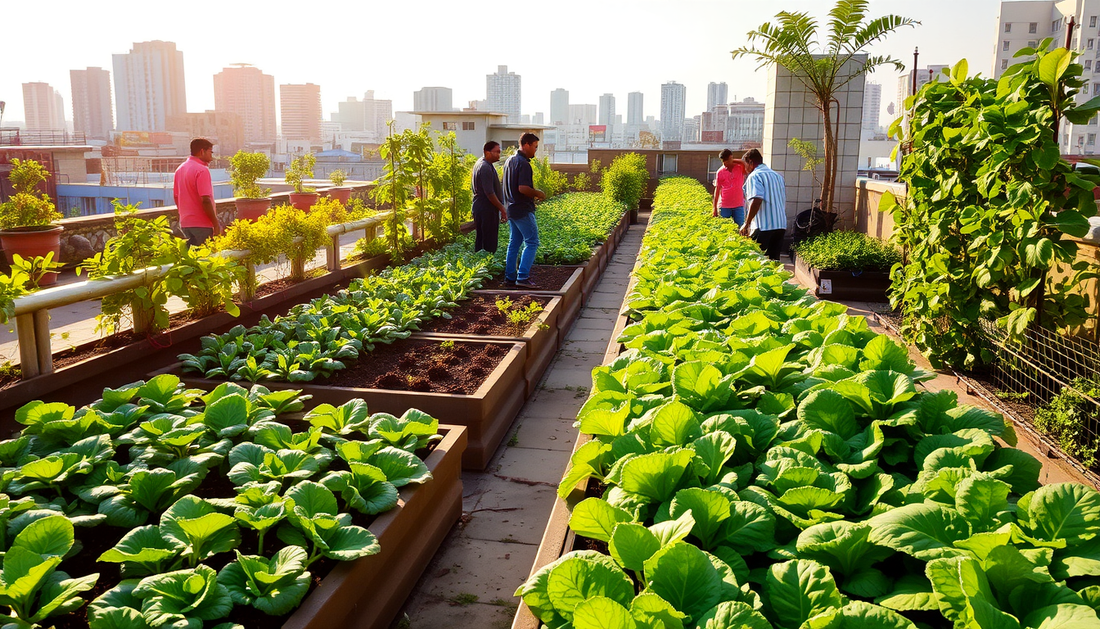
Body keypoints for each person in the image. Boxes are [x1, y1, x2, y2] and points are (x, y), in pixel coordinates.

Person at [502, 133, 546, 288]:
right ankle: (523, 277)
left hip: (511, 209)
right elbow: (523, 188)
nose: (535, 150)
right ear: (526, 144)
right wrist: (538, 193)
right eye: (535, 147)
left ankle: (510, 277)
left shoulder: (509, 161)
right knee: (532, 242)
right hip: (522, 209)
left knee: (514, 243)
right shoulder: (523, 164)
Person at [740, 148, 787, 261]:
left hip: (764, 226)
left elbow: (757, 199)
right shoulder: (778, 176)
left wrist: (746, 224)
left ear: (750, 162)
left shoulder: (755, 176)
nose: (745, 169)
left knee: (757, 263)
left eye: (745, 164)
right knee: (774, 262)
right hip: (780, 225)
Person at [173, 138, 220, 246]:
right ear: (202, 151)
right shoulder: (201, 170)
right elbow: (206, 200)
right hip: (202, 225)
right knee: (206, 259)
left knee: (191, 259)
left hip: (185, 224)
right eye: (210, 152)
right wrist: (215, 224)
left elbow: (176, 197)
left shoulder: (180, 169)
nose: (211, 156)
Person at [471, 141, 507, 253]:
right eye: (496, 152)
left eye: (499, 152)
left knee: (482, 239)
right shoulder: (485, 167)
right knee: (489, 241)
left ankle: (481, 265)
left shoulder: (482, 164)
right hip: (486, 208)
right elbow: (489, 193)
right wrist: (502, 208)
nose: (498, 155)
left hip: (481, 206)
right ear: (487, 152)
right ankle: (487, 264)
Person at [711, 148, 748, 225]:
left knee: (741, 227)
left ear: (731, 157)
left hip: (738, 205)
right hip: (724, 206)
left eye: (726, 160)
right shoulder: (720, 172)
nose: (724, 163)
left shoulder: (739, 167)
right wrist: (714, 208)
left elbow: (745, 165)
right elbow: (717, 190)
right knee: (724, 228)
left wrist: (734, 161)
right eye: (723, 161)